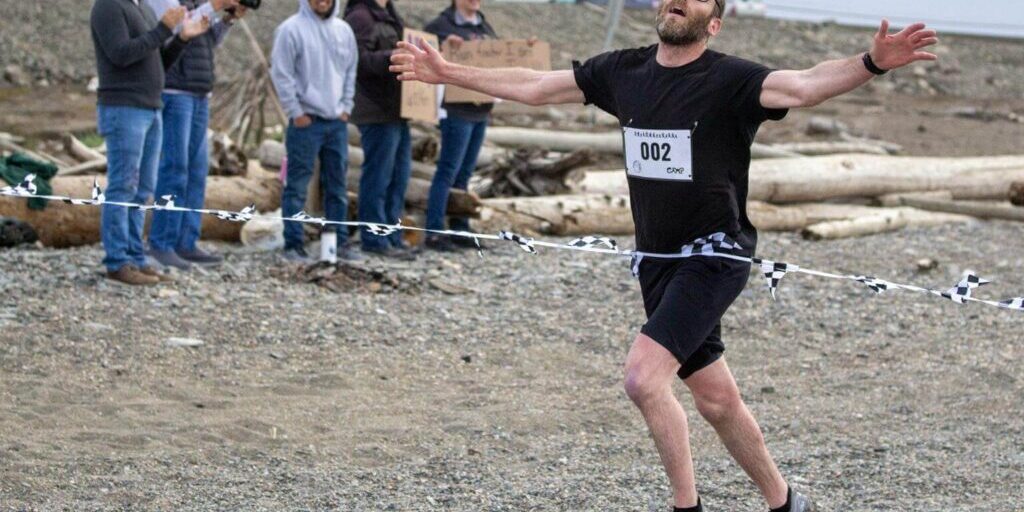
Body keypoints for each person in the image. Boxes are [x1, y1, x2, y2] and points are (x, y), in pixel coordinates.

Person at [389, 0, 938, 510]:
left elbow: (805, 85)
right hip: (656, 261)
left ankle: (686, 506)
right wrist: (449, 72)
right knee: (717, 401)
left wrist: (871, 62)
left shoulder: (731, 79)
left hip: (715, 255)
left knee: (643, 379)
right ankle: (787, 502)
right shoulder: (622, 72)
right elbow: (536, 85)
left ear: (713, 22)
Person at [90, 0, 210, 285]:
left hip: (150, 107)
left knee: (143, 188)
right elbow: (120, 54)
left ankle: (135, 257)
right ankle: (117, 262)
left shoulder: (141, 8)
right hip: (124, 108)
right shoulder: (108, 6)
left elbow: (157, 62)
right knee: (123, 186)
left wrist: (180, 38)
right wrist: (163, 29)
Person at [146, 0, 246, 270]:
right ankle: (161, 243)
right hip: (175, 91)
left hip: (200, 91)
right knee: (174, 168)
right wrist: (215, 5)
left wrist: (227, 20)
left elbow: (207, 39)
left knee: (196, 171)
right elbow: (179, 27)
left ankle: (186, 242)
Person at [271, 0, 361, 263]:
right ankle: (293, 244)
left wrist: (347, 106)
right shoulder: (290, 30)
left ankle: (338, 242)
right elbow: (281, 73)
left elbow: (350, 71)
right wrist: (295, 111)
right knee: (297, 185)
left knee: (337, 185)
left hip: (336, 121)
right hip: (306, 121)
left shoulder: (344, 31)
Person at [421, 0, 498, 251]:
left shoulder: (484, 26)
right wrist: (444, 48)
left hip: (480, 110)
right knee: (448, 171)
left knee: (465, 173)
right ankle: (434, 230)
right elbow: (426, 57)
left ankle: (460, 227)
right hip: (455, 110)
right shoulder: (440, 25)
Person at [344, 0, 416, 260]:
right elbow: (357, 61)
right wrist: (391, 58)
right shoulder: (361, 17)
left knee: (399, 176)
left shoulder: (389, 15)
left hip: (397, 109)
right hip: (375, 109)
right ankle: (373, 238)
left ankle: (392, 236)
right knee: (378, 176)